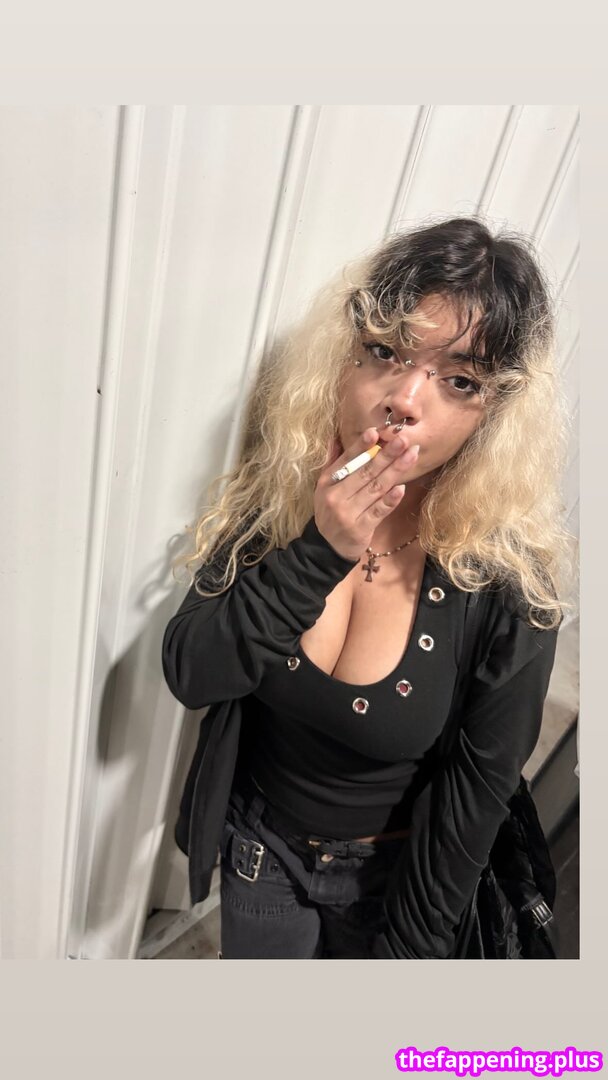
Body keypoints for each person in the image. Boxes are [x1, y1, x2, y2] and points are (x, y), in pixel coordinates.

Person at [161, 216, 576, 960]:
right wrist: (319, 551)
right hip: (257, 854)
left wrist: (406, 957)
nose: (406, 399)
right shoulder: (282, 496)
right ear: (344, 355)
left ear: (491, 417)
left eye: (458, 381)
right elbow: (192, 672)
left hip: (388, 886)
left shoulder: (506, 585)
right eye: (386, 352)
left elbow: (473, 802)